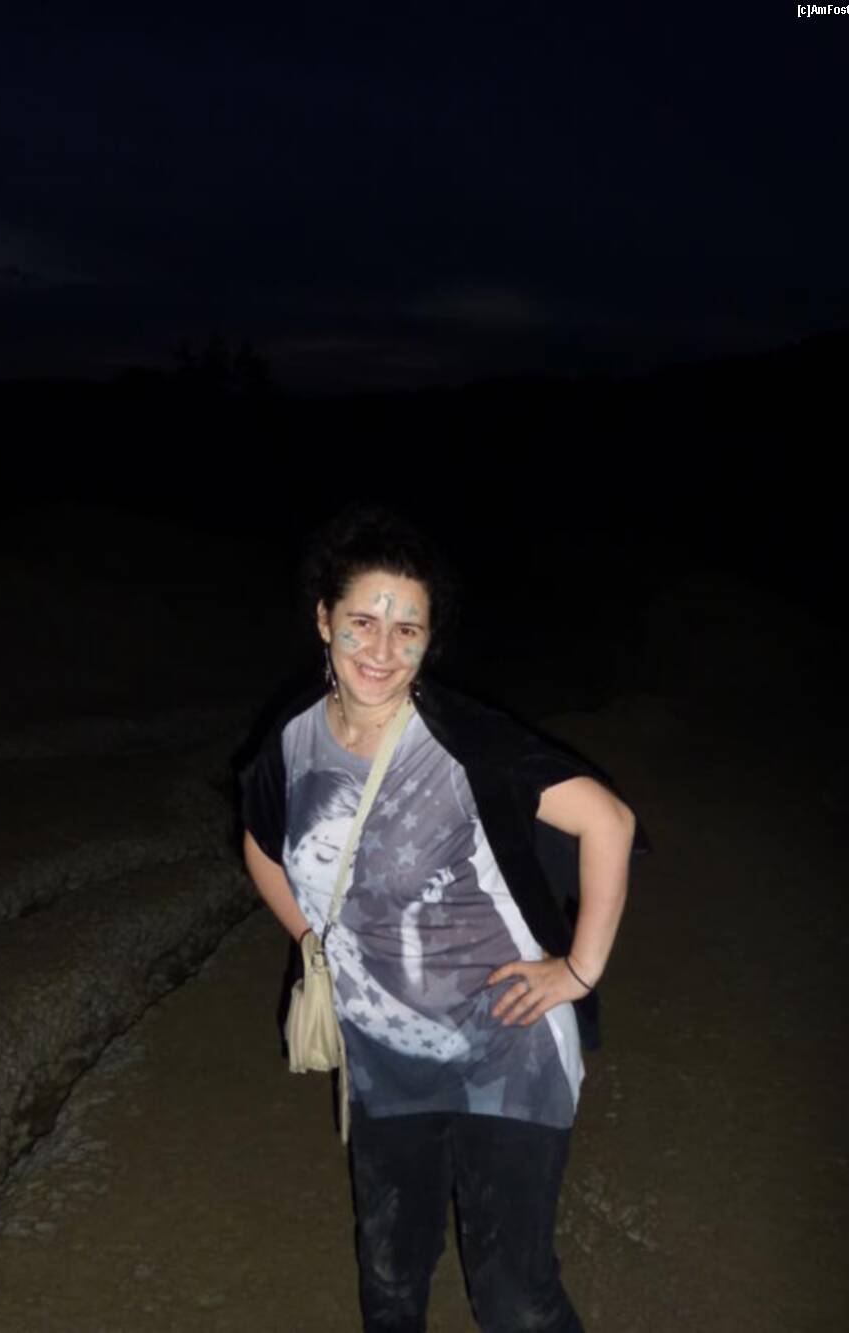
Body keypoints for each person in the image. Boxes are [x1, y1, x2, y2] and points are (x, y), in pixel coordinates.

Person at [240, 504, 646, 1333]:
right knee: (390, 1279)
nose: (382, 650)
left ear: (428, 641)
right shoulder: (291, 742)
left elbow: (609, 820)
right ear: (323, 620)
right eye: (362, 621)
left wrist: (577, 970)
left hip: (506, 1044)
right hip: (384, 1058)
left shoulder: (463, 740)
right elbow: (259, 840)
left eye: (407, 630)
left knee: (514, 1296)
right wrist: (316, 943)